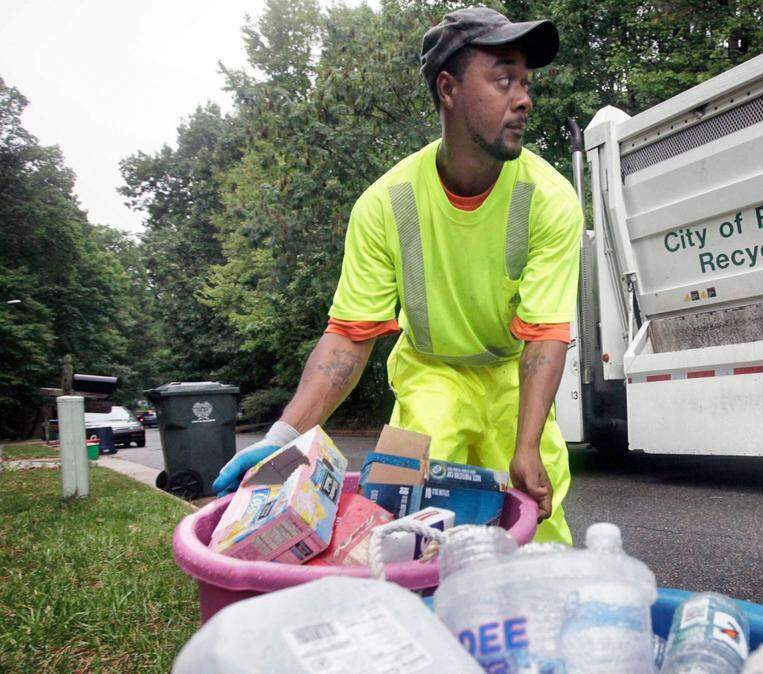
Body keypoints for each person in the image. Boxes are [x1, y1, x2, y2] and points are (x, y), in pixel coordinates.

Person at [212, 6, 581, 544]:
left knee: (535, 529)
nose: (523, 98)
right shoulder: (387, 203)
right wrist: (285, 435)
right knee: (407, 518)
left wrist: (526, 447)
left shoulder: (549, 199)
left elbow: (545, 337)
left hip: (511, 377)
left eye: (525, 82)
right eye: (503, 79)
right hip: (432, 373)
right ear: (449, 89)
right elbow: (349, 337)